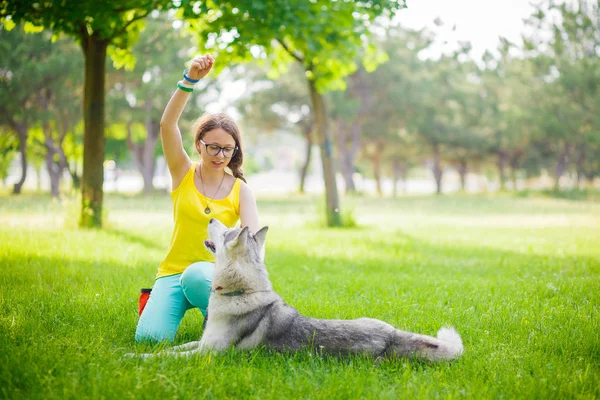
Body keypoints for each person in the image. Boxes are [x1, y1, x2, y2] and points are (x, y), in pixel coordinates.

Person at [135, 54, 260, 342]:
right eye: (213, 147)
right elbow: (167, 126)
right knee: (149, 340)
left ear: (235, 151)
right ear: (199, 145)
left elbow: (252, 242)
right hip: (172, 273)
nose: (220, 156)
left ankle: (223, 322)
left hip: (214, 277)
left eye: (228, 149)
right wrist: (189, 80)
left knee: (195, 275)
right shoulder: (182, 173)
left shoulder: (241, 190)